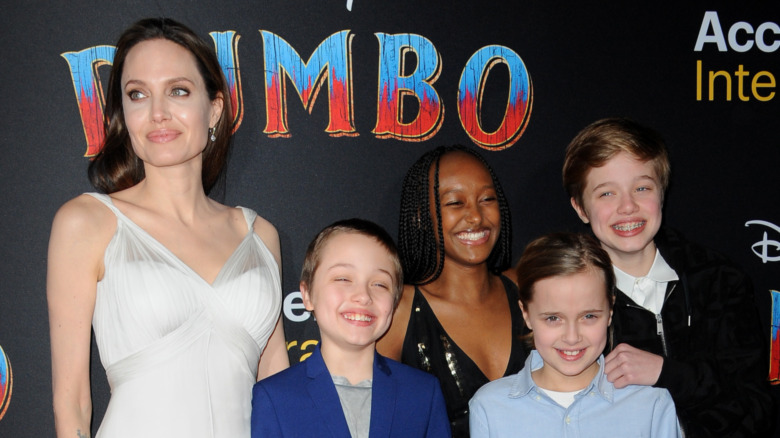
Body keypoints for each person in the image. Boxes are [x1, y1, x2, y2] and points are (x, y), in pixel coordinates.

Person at [47, 18, 288, 438]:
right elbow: (72, 403)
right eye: (137, 94)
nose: (157, 113)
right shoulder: (87, 223)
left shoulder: (259, 234)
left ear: (214, 108)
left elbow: (275, 385)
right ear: (124, 112)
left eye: (178, 91)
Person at [562, 117, 772, 437]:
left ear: (662, 192)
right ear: (580, 207)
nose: (628, 207)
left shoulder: (718, 279)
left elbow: (756, 405)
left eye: (642, 188)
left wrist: (666, 373)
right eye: (607, 194)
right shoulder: (566, 297)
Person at [376, 145, 528, 437]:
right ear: (421, 216)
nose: (475, 216)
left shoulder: (527, 287)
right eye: (455, 203)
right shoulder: (399, 311)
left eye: (487, 199)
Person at [251, 219, 451, 437]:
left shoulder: (422, 393)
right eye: (344, 278)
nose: (363, 296)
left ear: (394, 303)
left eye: (379, 284)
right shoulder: (276, 396)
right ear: (307, 295)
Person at [470, 232, 681, 437]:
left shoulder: (651, 403)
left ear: (610, 311)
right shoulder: (490, 407)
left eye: (588, 316)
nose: (572, 338)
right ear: (526, 314)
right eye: (553, 318)